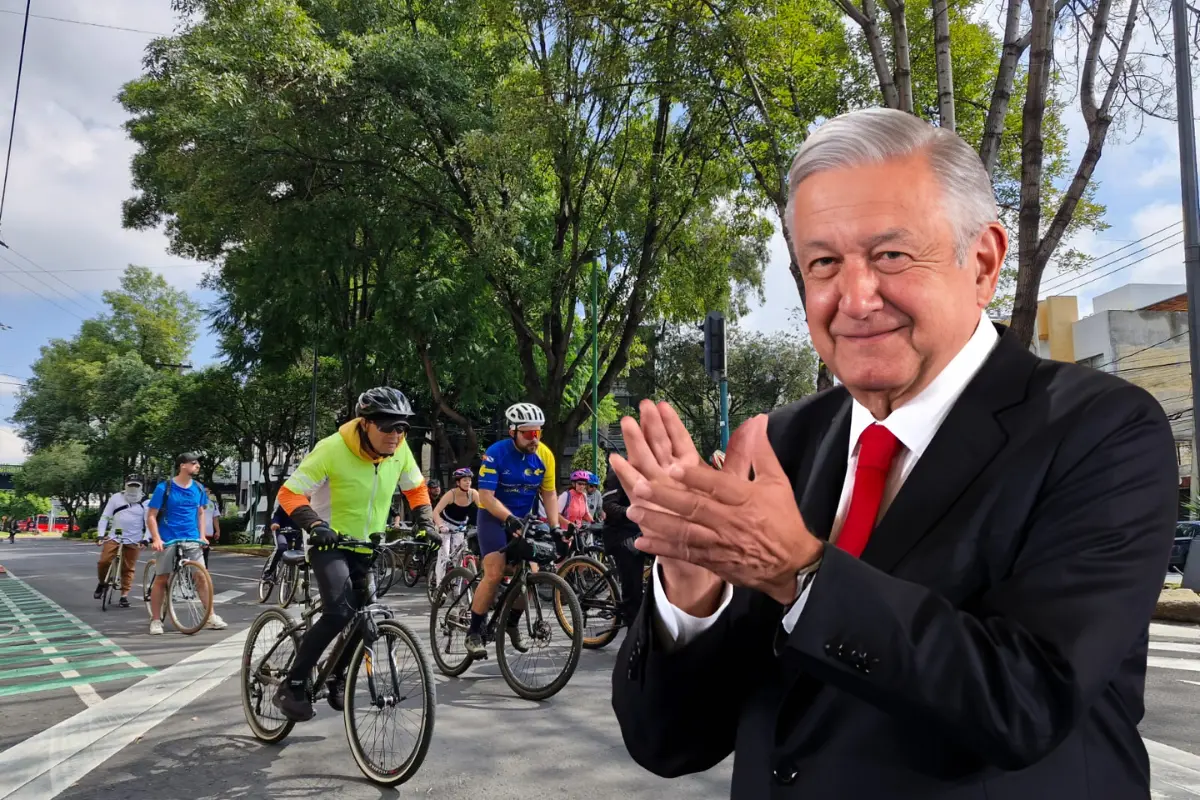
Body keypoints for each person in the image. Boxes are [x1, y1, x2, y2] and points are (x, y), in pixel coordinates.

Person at [608, 108, 1178, 798]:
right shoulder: (782, 444)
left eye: (890, 256)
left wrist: (800, 573)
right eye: (823, 263)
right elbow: (669, 743)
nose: (854, 297)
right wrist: (691, 594)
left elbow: (1028, 701)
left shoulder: (1101, 431)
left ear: (984, 262)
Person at [273, 386, 436, 722]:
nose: (396, 435)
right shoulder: (332, 449)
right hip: (328, 544)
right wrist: (315, 524)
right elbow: (290, 494)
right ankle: (293, 684)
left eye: (402, 427)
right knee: (338, 612)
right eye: (388, 426)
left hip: (368, 545)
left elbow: (416, 487)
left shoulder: (400, 450)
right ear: (366, 424)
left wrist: (424, 521)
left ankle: (336, 674)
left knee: (364, 615)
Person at [467, 402, 562, 657]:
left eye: (538, 433)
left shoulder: (545, 456)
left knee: (529, 573)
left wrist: (555, 527)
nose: (534, 439)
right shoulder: (495, 453)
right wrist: (508, 518)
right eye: (528, 433)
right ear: (513, 432)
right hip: (493, 517)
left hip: (524, 520)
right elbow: (485, 496)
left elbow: (550, 493)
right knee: (495, 571)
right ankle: (474, 631)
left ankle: (510, 623)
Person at [146, 454, 229, 635]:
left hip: (191, 538)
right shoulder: (165, 488)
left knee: (201, 576)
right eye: (194, 463)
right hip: (168, 538)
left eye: (198, 463)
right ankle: (155, 620)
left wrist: (202, 536)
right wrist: (156, 538)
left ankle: (210, 616)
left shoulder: (198, 488)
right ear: (182, 465)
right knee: (162, 578)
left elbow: (200, 513)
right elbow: (151, 515)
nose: (197, 466)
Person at [94, 475, 150, 608]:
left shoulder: (146, 502)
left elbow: (149, 523)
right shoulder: (116, 497)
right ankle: (102, 583)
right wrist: (100, 535)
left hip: (134, 538)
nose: (133, 488)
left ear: (141, 486)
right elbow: (105, 516)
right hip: (115, 536)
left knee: (128, 568)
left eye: (136, 485)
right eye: (131, 485)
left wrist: (146, 539)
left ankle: (124, 595)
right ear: (125, 485)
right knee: (104, 561)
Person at [600, 459, 644, 626]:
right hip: (620, 532)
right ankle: (634, 633)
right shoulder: (619, 473)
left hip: (642, 530)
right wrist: (629, 512)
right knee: (632, 560)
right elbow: (608, 504)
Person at [432, 467, 479, 588]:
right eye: (464, 480)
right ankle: (439, 587)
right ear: (458, 482)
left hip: (460, 525)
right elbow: (435, 512)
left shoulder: (473, 494)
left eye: (469, 480)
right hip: (445, 524)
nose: (468, 482)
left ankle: (456, 587)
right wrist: (441, 526)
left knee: (458, 558)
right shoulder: (451, 494)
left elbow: (483, 509)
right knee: (444, 555)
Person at [260, 503, 300, 581]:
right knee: (282, 547)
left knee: (302, 551)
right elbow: (277, 515)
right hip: (281, 530)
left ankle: (295, 576)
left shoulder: (308, 503)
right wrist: (275, 523)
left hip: (298, 533)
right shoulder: (286, 501)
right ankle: (269, 572)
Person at [200, 489, 220, 568]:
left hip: (208, 533)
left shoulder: (213, 504)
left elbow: (215, 518)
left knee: (205, 554)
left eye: (207, 491)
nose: (206, 493)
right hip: (197, 533)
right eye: (204, 491)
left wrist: (218, 531)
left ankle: (204, 572)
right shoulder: (196, 502)